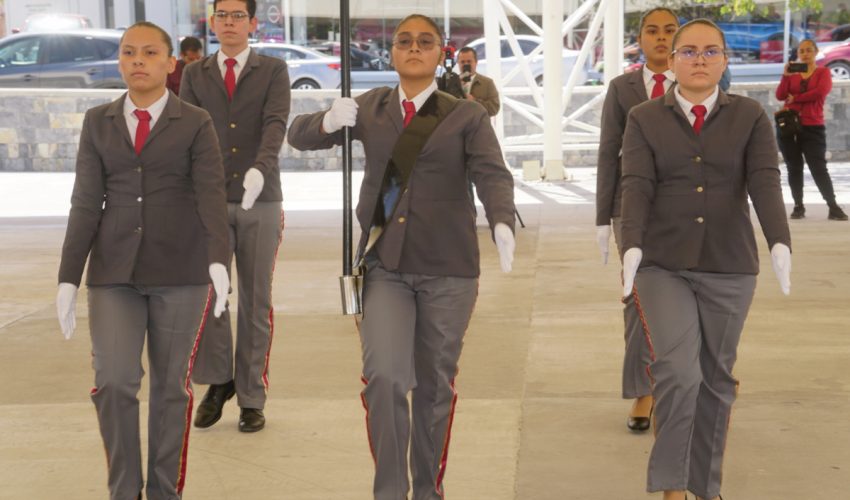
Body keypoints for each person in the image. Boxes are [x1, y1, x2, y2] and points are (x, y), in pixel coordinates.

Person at [288, 14, 516, 500]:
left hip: (449, 267)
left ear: (441, 53)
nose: (414, 48)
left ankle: (428, 490)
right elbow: (299, 135)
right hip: (383, 265)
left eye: (425, 41)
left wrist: (501, 219)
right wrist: (327, 120)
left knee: (434, 385)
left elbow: (492, 173)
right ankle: (390, 490)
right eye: (404, 41)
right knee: (385, 379)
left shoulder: (465, 114)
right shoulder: (369, 107)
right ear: (391, 52)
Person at [55, 21, 230, 500]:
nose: (138, 60)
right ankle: (125, 490)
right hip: (113, 274)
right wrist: (68, 277)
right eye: (129, 52)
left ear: (170, 63)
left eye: (150, 52)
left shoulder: (195, 122)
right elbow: (85, 202)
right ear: (119, 62)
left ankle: (164, 491)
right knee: (113, 382)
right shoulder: (98, 121)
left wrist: (218, 261)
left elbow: (211, 196)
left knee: (171, 389)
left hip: (181, 273)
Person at [620, 19, 792, 500]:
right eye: (689, 51)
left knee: (716, 380)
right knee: (679, 372)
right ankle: (673, 487)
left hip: (730, 264)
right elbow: (636, 184)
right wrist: (630, 244)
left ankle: (705, 486)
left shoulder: (750, 116)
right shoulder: (644, 118)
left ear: (724, 60)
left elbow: (765, 180)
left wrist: (779, 241)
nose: (700, 59)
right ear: (672, 60)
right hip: (662, 264)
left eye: (711, 51)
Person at [180, 0, 291, 433]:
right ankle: (219, 380)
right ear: (213, 22)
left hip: (261, 200)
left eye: (237, 16)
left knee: (256, 300)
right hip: (208, 201)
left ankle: (251, 397)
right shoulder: (195, 74)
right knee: (211, 295)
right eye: (222, 16)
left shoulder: (273, 71)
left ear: (252, 23)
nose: (229, 22)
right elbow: (187, 132)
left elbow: (275, 124)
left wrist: (260, 169)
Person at [595, 7, 678, 433]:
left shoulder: (699, 79)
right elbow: (608, 151)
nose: (661, 38)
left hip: (686, 205)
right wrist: (602, 215)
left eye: (669, 30)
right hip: (630, 206)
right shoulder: (621, 88)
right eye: (652, 31)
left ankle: (685, 385)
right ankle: (644, 389)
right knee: (638, 297)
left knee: (689, 293)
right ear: (640, 38)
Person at [775, 39, 848, 221]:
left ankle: (833, 206)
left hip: (813, 126)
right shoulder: (792, 74)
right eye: (801, 51)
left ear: (815, 52)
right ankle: (798, 206)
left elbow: (819, 93)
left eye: (808, 50)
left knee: (818, 167)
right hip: (789, 126)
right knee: (793, 167)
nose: (805, 54)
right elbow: (780, 95)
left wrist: (795, 98)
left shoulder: (823, 72)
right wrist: (785, 76)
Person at [456, 46, 500, 117]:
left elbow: (494, 108)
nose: (466, 64)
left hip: (478, 123)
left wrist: (474, 101)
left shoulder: (487, 83)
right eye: (462, 62)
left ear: (476, 62)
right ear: (458, 63)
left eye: (469, 61)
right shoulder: (452, 82)